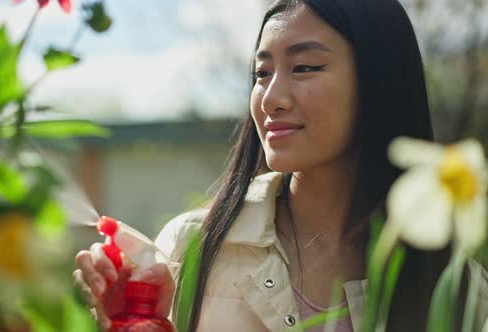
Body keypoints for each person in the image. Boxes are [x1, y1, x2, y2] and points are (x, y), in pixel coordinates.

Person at [74, 0, 488, 331]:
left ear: (379, 80)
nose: (271, 98)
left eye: (304, 68)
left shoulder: (458, 288)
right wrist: (130, 321)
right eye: (261, 72)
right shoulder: (191, 248)